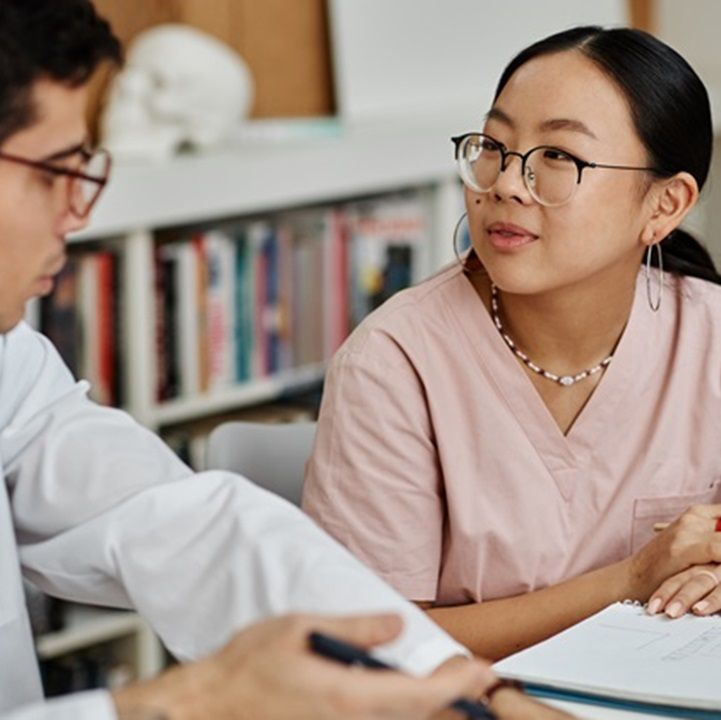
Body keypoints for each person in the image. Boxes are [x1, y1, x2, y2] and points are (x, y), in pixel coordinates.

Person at [0, 2, 576, 719]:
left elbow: (182, 521)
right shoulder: (400, 350)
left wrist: (456, 686)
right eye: (54, 171)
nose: (78, 212)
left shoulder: (10, 365)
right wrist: (179, 704)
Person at [303, 25, 721, 662]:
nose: (505, 183)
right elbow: (370, 644)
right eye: (494, 146)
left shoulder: (712, 337)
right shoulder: (394, 362)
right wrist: (634, 578)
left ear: (664, 204)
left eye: (558, 156)